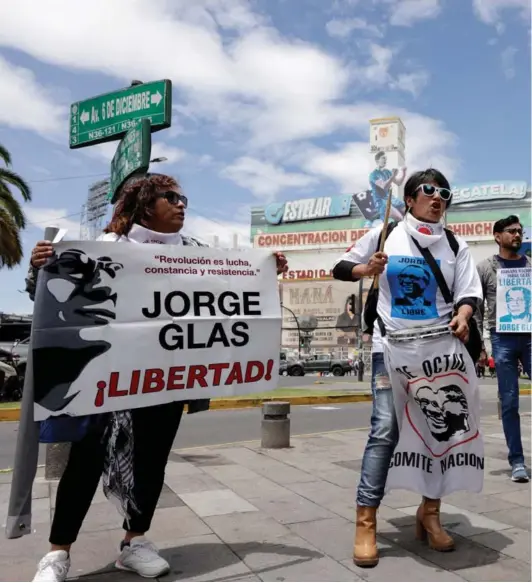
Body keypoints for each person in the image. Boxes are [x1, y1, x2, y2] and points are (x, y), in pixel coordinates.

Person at [24, 173, 288, 581]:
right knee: (84, 463)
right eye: (171, 197)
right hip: (105, 381)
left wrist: (267, 272)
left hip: (163, 382)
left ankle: (135, 541)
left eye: (183, 198)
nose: (182, 204)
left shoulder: (195, 252)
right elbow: (48, 297)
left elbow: (232, 287)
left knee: (151, 463)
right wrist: (41, 267)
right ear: (144, 203)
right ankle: (58, 552)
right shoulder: (104, 247)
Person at [333, 168, 483, 567]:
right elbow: (341, 267)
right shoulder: (387, 235)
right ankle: (366, 522)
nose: (437, 198)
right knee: (385, 430)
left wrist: (465, 313)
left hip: (441, 352)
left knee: (442, 430)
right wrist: (367, 269)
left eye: (444, 193)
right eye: (428, 190)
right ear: (410, 198)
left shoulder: (455, 243)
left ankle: (429, 514)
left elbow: (469, 291)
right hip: (391, 349)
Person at [475, 216, 531, 483]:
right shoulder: (486, 268)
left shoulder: (530, 266)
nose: (517, 235)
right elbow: (475, 308)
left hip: (530, 337)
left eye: (520, 231)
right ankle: (517, 461)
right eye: (512, 231)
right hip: (502, 338)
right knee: (509, 402)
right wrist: (479, 347)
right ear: (497, 236)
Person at [366, 151, 406, 227]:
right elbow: (384, 186)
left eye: (386, 159)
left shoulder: (387, 172)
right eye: (383, 158)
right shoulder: (373, 175)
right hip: (382, 202)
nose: (385, 160)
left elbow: (398, 183)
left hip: (392, 199)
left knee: (408, 213)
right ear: (377, 160)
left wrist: (404, 172)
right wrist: (393, 176)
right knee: (400, 218)